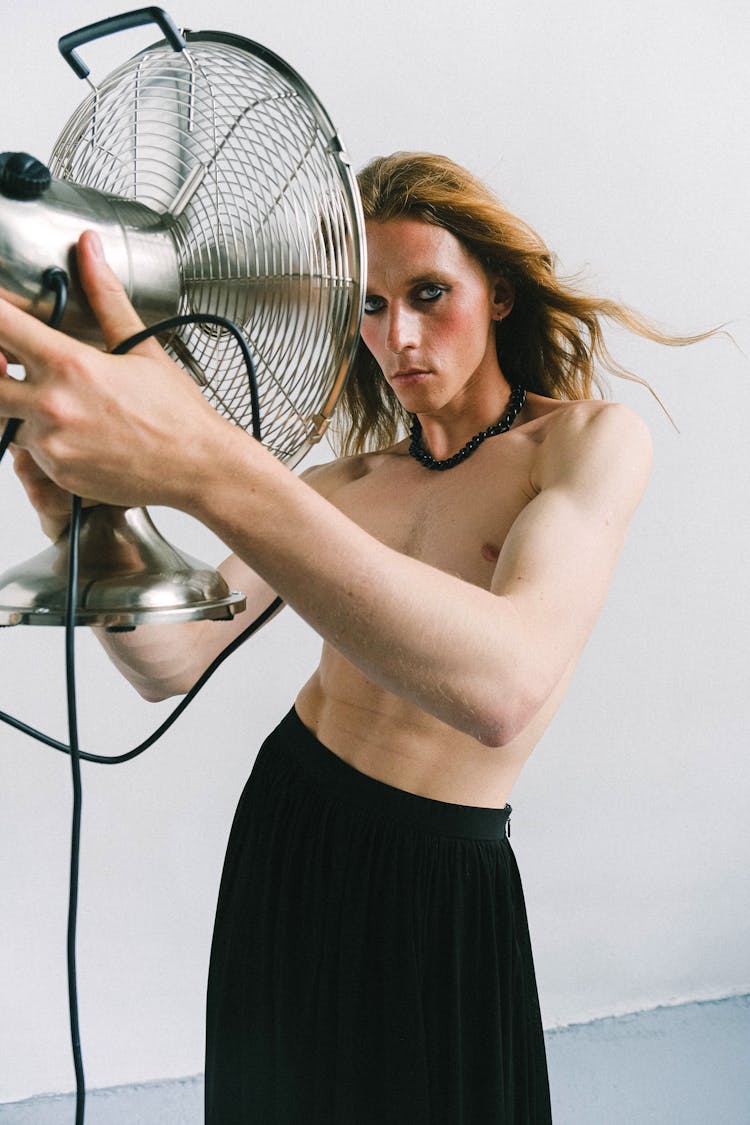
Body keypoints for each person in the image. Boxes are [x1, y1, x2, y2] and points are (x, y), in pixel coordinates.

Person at [0, 151, 673, 1123]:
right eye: (367, 306)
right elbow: (167, 662)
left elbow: (505, 685)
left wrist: (208, 464)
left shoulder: (586, 443)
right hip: (291, 823)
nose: (396, 335)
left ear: (503, 296)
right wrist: (85, 527)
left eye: (429, 293)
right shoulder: (339, 489)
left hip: (438, 870)